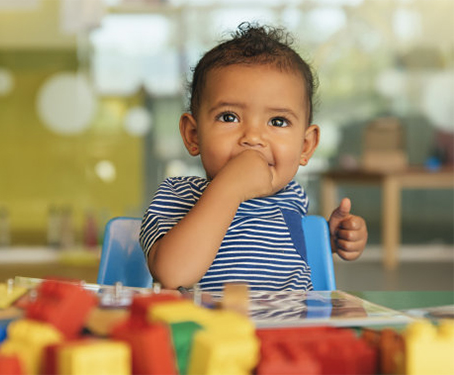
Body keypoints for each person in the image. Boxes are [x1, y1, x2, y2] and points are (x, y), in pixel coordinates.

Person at [139, 22, 368, 293]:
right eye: (229, 117)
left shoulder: (292, 199)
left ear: (306, 146)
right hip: (206, 331)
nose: (253, 138)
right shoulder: (177, 196)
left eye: (278, 121)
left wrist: (327, 240)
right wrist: (230, 187)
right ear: (193, 134)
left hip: (288, 331)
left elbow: (283, 257)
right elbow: (173, 275)